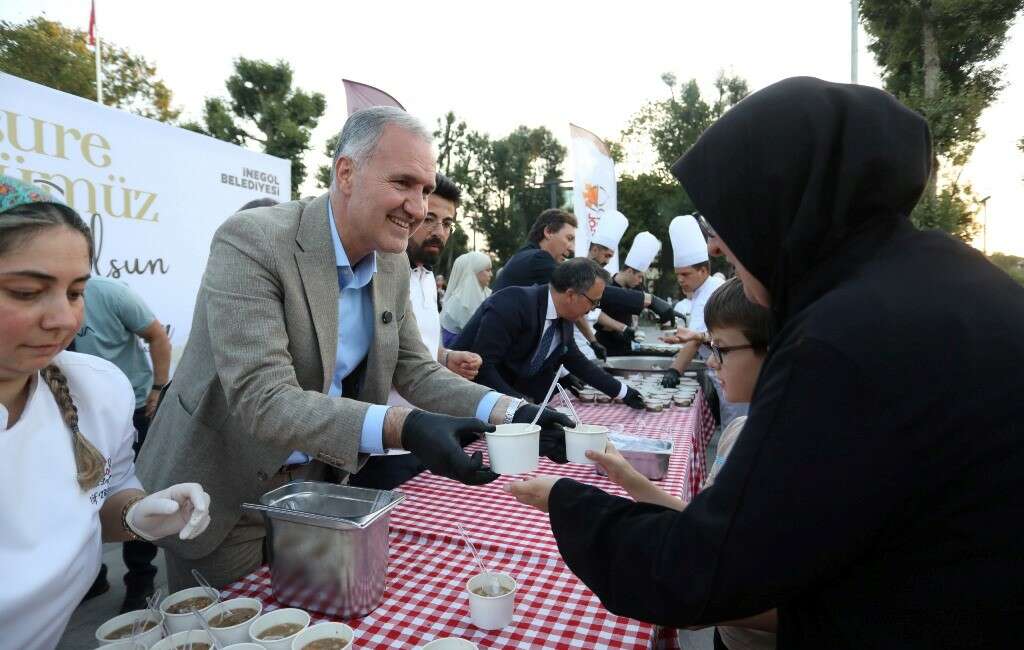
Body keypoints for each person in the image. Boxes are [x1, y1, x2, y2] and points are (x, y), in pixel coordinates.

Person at [506, 77, 1024, 648]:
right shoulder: (954, 278)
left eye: (730, 224)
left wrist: (568, 503)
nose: (723, 249)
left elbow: (710, 574)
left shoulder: (840, 338)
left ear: (780, 205)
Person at [136, 107, 571, 590]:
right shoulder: (253, 240)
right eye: (403, 183)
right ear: (346, 172)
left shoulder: (392, 266)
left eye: (425, 190)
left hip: (317, 491)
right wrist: (404, 426)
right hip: (218, 493)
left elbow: (417, 371)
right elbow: (263, 399)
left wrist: (515, 413)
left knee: (311, 624)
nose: (418, 207)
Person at [0, 176, 211, 650]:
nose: (63, 319)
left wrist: (138, 513)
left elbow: (104, 497)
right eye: (26, 292)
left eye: (75, 292)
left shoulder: (94, 388)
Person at [590, 277, 776, 650]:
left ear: (774, 349)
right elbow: (701, 525)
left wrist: (676, 600)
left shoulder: (783, 459)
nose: (710, 361)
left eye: (720, 348)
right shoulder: (739, 430)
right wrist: (628, 477)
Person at [349, 173, 484, 490]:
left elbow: (417, 350)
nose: (439, 231)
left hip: (424, 435)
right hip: (376, 444)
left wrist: (447, 357)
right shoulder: (373, 273)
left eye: (448, 223)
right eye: (430, 219)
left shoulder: (426, 278)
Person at [72, 276, 172, 612]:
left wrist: (158, 388)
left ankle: (141, 579)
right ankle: (92, 576)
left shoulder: (111, 294)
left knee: (132, 491)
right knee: (78, 494)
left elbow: (158, 335)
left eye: (72, 293)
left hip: (132, 407)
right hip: (71, 411)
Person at [451, 258, 645, 410]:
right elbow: (483, 367)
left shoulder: (564, 317)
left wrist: (623, 392)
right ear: (570, 294)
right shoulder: (513, 303)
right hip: (467, 399)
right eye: (593, 302)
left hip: (511, 399)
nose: (593, 309)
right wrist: (522, 407)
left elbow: (577, 361)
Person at [495, 209, 676, 360]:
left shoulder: (528, 256)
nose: (572, 247)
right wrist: (649, 300)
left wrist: (593, 342)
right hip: (499, 352)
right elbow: (591, 293)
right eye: (568, 238)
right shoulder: (537, 259)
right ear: (548, 232)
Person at [594, 231, 661, 357]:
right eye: (639, 277)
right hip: (606, 348)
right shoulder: (606, 287)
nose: (641, 281)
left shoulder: (636, 288)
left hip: (627, 347)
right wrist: (620, 328)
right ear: (629, 271)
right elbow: (596, 318)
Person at [440, 251, 492, 347]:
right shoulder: (461, 300)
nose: (491, 274)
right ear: (476, 271)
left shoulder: (484, 293)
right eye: (487, 270)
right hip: (455, 351)